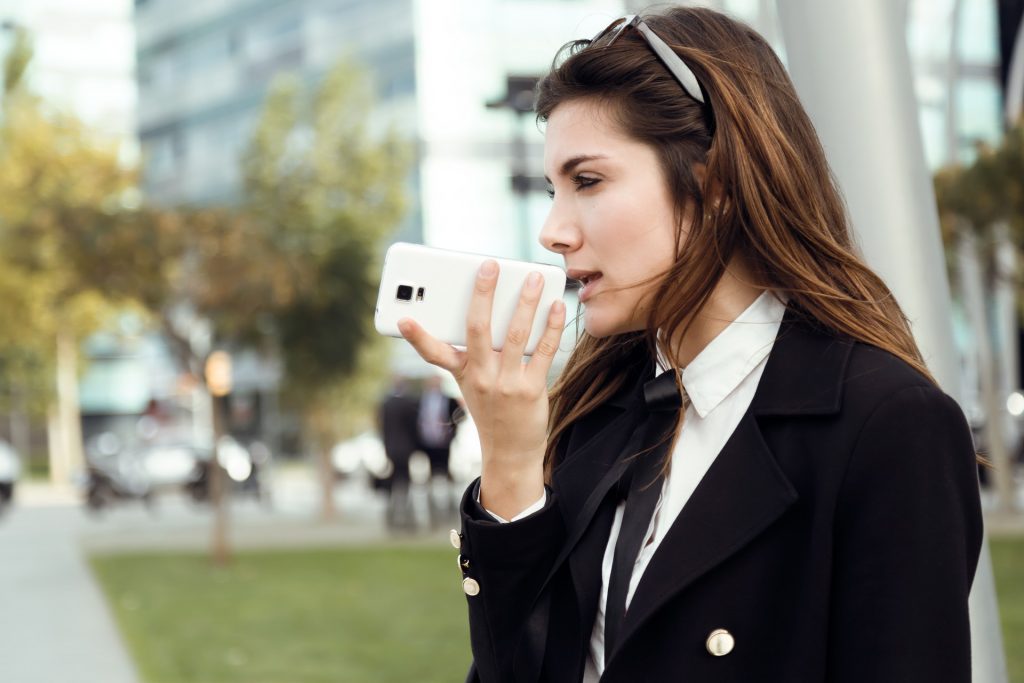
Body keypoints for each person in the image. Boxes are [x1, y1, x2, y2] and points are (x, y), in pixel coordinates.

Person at [398, 7, 983, 682]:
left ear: (714, 184)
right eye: (554, 190)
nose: (553, 232)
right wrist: (508, 466)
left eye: (587, 181)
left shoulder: (888, 424)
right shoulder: (598, 412)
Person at [417, 374, 462, 525]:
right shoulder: (422, 400)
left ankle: (449, 507)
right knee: (429, 476)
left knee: (446, 473)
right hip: (427, 444)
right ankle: (433, 510)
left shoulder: (449, 400)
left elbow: (459, 416)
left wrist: (449, 429)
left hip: (444, 443)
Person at [378, 376, 421, 532]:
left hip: (391, 448)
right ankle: (403, 514)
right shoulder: (409, 403)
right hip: (405, 449)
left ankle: (393, 514)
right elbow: (413, 429)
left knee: (393, 479)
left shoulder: (386, 404)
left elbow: (382, 429)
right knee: (404, 480)